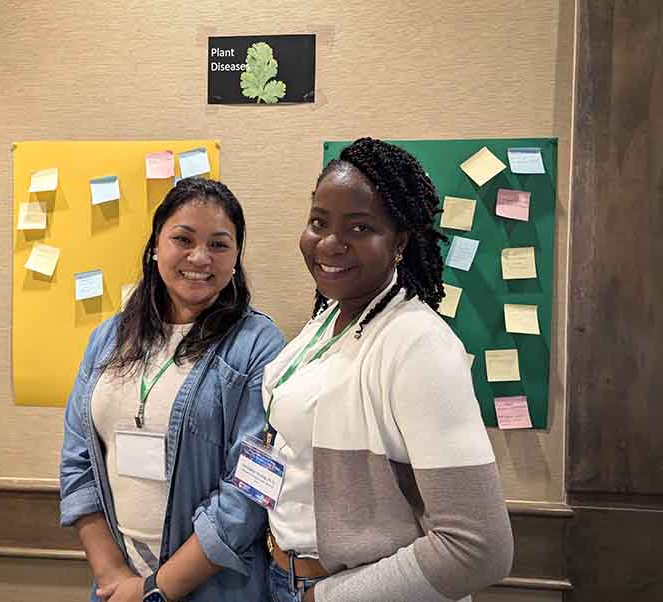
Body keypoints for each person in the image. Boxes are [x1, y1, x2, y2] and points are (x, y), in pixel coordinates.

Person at [262, 138, 514, 602]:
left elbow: (479, 548)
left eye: (359, 228)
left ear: (398, 242)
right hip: (286, 575)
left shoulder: (418, 345)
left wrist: (324, 598)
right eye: (319, 222)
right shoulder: (329, 320)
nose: (330, 243)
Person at [60, 177, 285, 602]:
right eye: (183, 239)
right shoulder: (107, 339)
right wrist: (113, 576)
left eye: (219, 244)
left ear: (236, 257)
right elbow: (78, 459)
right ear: (155, 246)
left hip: (214, 586)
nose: (199, 257)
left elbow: (252, 488)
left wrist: (154, 590)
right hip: (117, 584)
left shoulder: (259, 345)